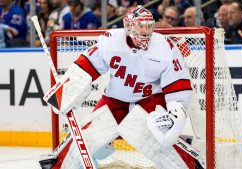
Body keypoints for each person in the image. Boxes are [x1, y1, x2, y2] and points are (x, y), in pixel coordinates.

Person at [39, 6, 195, 169]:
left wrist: (176, 110)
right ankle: (60, 165)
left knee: (163, 136)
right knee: (87, 138)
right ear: (128, 25)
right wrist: (66, 90)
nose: (146, 31)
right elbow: (87, 66)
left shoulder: (164, 46)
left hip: (150, 99)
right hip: (114, 100)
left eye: (149, 25)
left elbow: (177, 83)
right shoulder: (110, 41)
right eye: (141, 26)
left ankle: (190, 164)